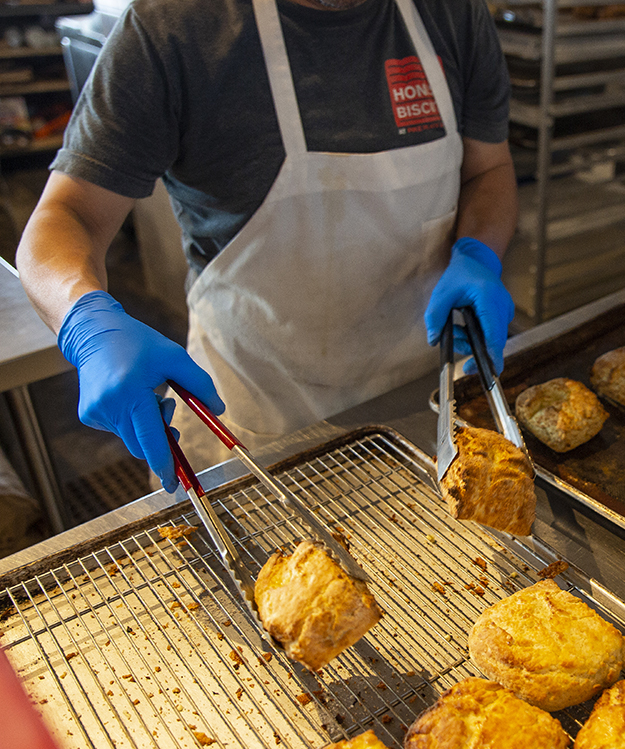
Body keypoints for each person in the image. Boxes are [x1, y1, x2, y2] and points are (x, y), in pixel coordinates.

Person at [16, 0, 517, 492]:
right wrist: (87, 323)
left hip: (425, 406)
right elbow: (68, 215)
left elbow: (489, 170)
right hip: (256, 422)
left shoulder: (453, 14)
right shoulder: (171, 29)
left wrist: (478, 251)